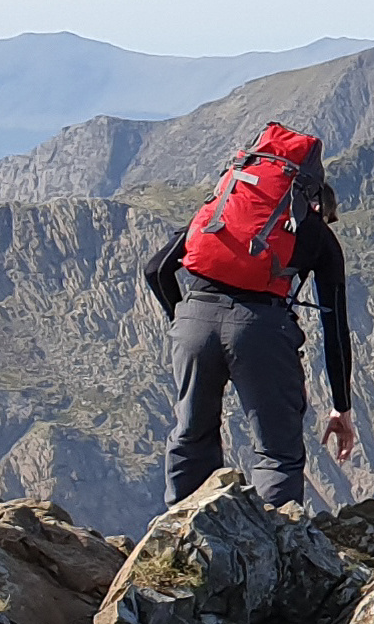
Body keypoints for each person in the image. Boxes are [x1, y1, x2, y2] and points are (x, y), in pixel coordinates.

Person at [145, 121, 357, 507]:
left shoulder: (218, 211)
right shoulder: (316, 234)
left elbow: (155, 270)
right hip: (261, 331)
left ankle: (185, 536)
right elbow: (335, 327)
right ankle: (274, 541)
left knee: (192, 434)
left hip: (194, 320)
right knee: (277, 452)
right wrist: (341, 406)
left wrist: (182, 321)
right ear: (313, 198)